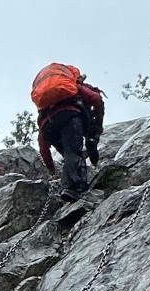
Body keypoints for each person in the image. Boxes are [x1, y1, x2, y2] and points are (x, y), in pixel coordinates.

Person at [36, 68, 106, 201]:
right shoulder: (76, 89)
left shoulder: (44, 110)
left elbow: (42, 144)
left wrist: (51, 168)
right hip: (69, 117)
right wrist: (98, 125)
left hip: (49, 128)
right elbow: (96, 98)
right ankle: (69, 188)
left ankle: (79, 183)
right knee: (72, 153)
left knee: (70, 154)